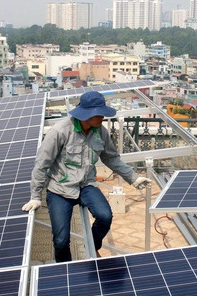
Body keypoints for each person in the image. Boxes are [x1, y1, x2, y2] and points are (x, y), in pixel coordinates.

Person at [22, 91, 151, 262]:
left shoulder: (101, 132)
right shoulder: (60, 131)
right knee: (61, 240)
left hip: (86, 185)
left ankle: (92, 244)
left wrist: (133, 178)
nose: (102, 118)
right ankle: (65, 271)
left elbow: (111, 158)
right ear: (87, 115)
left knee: (105, 216)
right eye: (99, 114)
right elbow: (41, 164)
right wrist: (36, 196)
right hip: (61, 189)